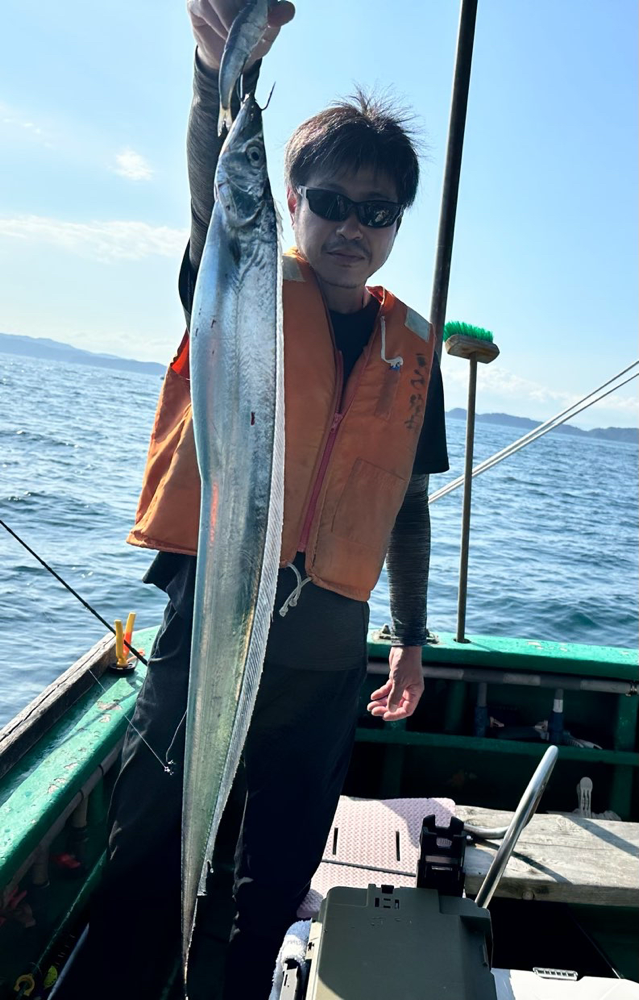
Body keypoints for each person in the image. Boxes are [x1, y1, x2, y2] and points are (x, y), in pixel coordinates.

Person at [76, 2, 449, 998]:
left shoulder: (412, 349)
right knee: (147, 851)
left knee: (276, 874)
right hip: (210, 625)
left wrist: (410, 640)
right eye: (331, 201)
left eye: (378, 212)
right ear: (292, 202)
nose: (352, 227)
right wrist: (214, 73)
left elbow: (408, 506)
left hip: (327, 653)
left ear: (396, 226)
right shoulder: (236, 279)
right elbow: (218, 194)